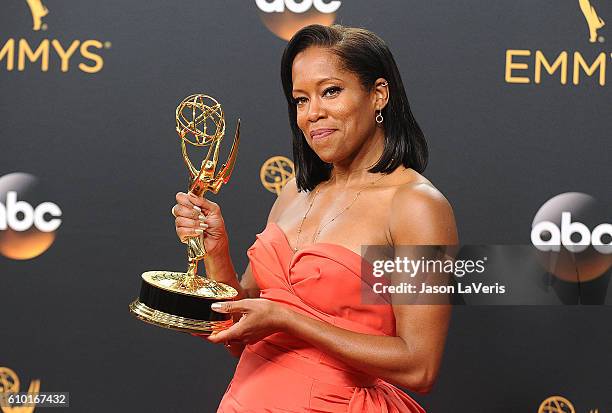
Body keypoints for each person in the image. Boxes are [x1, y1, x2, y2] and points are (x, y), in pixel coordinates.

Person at [171, 24, 458, 413]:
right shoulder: (294, 191)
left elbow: (419, 366)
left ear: (378, 95)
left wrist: (289, 320)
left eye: (331, 91)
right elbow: (239, 337)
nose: (312, 114)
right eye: (300, 100)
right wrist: (216, 251)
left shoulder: (415, 206)